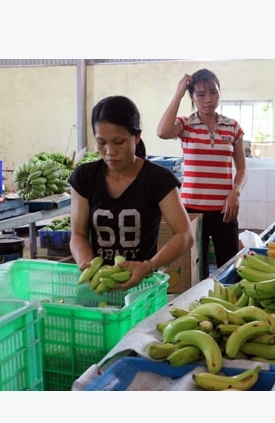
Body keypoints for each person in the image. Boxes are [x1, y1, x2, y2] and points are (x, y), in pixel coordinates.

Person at [68, 95, 195, 290]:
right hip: (99, 286)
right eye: (101, 142)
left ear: (136, 137)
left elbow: (185, 235)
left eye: (118, 142)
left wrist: (149, 266)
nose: (110, 151)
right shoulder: (84, 177)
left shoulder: (158, 179)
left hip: (142, 286)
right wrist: (87, 265)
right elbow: (78, 234)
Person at [157, 68, 247, 279]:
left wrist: (236, 192)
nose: (209, 99)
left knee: (230, 268)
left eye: (213, 92)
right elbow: (162, 132)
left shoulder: (232, 127)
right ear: (192, 97)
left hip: (225, 211)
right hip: (191, 211)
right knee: (196, 269)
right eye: (201, 94)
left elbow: (242, 169)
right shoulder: (185, 125)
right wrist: (178, 93)